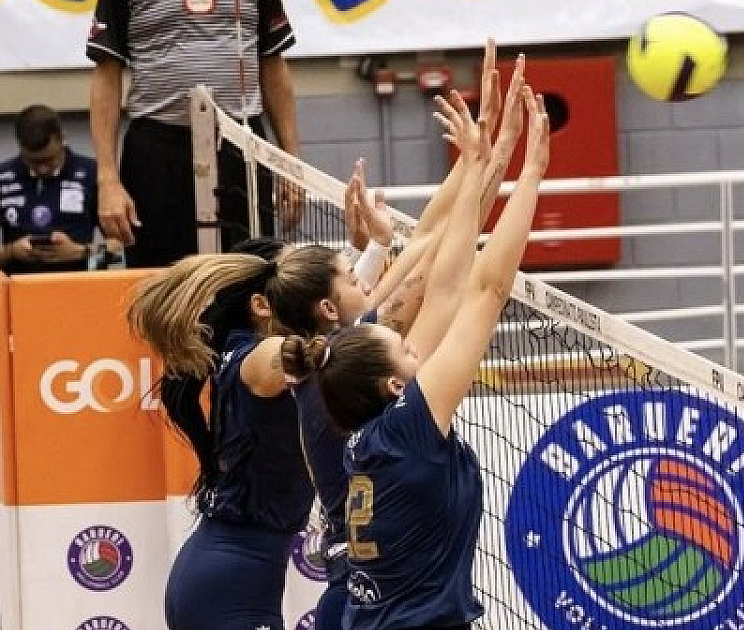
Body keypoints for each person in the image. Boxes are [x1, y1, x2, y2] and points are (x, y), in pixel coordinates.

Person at [279, 84, 549, 630]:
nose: (415, 344)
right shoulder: (405, 429)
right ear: (395, 386)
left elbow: (446, 287)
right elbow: (486, 290)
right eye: (404, 347)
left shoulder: (364, 431)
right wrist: (531, 171)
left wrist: (479, 165)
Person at [130, 238, 324, 630]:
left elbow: (351, 319)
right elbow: (348, 334)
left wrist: (378, 249)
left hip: (222, 577)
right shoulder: (266, 356)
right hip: (230, 590)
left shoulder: (241, 348)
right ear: (261, 304)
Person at [87, 0, 302, 265]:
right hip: (158, 154)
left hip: (240, 147)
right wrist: (107, 180)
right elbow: (106, 72)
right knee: (163, 276)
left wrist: (291, 164)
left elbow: (272, 62)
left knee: (251, 270)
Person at [0, 105, 99, 275]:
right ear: (20, 146)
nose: (42, 168)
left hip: (80, 285)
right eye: (33, 162)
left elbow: (121, 252)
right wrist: (11, 252)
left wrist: (80, 252)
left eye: (49, 160)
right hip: (19, 285)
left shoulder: (94, 174)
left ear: (62, 138)